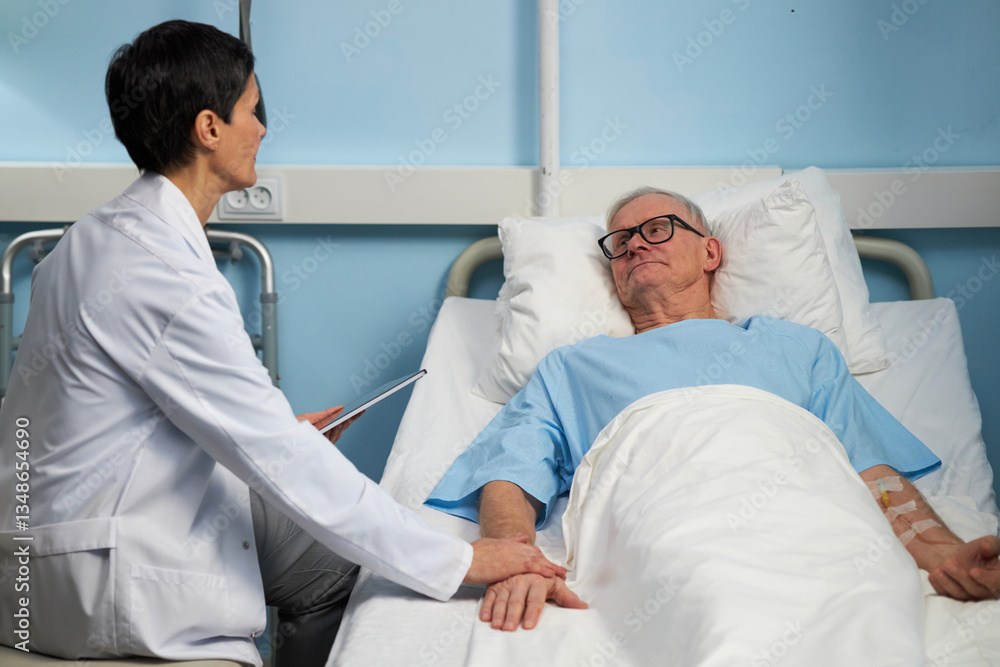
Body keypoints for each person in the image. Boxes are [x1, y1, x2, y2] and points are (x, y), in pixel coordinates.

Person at [0, 20, 564, 666]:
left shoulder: (87, 241)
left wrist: (277, 432)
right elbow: (285, 462)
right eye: (252, 109)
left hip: (39, 551)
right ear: (209, 129)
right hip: (101, 579)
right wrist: (463, 556)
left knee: (322, 551)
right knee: (343, 558)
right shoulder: (166, 275)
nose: (263, 128)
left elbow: (118, 419)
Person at [426, 185, 1000, 631]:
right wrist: (516, 557)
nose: (634, 245)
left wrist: (940, 552)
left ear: (710, 251)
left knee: (852, 608)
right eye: (620, 242)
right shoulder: (573, 366)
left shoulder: (796, 347)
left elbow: (869, 468)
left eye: (656, 229)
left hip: (800, 510)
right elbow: (510, 470)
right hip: (657, 512)